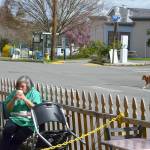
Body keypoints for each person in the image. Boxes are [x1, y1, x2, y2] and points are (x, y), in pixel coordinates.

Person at [0, 75, 42, 150]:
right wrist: (13, 99)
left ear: (28, 86)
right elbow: (8, 108)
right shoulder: (14, 93)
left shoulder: (34, 94)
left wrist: (24, 98)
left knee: (18, 138)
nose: (20, 88)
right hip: (15, 118)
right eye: (18, 86)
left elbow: (35, 108)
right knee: (7, 131)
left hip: (29, 120)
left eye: (22, 86)